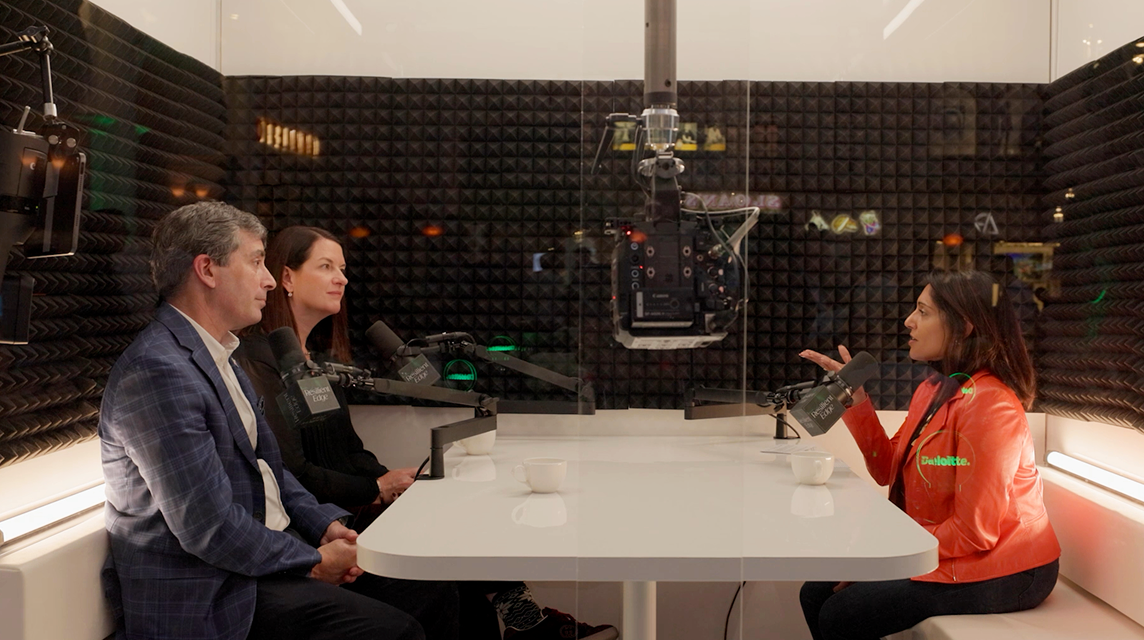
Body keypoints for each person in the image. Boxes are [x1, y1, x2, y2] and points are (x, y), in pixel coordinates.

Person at [236, 225, 619, 640]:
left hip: (354, 503)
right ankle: (531, 626)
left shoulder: (318, 364)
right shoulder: (260, 363)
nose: (341, 278)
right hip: (327, 523)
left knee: (458, 520)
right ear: (287, 277)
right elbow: (291, 470)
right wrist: (375, 488)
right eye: (326, 266)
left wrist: (392, 481)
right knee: (446, 561)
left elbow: (349, 449)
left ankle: (528, 624)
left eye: (343, 268)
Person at [98, 202, 424, 640]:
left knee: (431, 592)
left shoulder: (221, 357)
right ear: (207, 270)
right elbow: (208, 528)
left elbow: (272, 472)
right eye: (256, 262)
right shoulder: (158, 372)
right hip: (215, 591)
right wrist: (312, 562)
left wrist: (327, 525)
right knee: (392, 631)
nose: (269, 279)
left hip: (261, 564)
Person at [797, 270, 1061, 640]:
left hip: (1009, 567)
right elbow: (886, 467)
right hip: (955, 547)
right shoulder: (932, 388)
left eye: (923, 311)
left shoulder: (990, 405)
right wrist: (855, 400)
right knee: (814, 593)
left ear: (964, 326)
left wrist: (888, 555)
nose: (909, 321)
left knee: (844, 612)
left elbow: (975, 533)